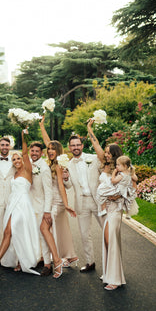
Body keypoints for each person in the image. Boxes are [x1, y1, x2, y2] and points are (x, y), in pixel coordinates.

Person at [0, 133, 41, 276]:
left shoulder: (27, 171)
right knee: (11, 232)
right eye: (14, 159)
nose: (16, 161)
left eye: (18, 158)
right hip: (12, 204)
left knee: (11, 231)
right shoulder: (14, 172)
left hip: (22, 205)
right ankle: (13, 261)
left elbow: (26, 153)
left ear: (22, 159)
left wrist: (24, 135)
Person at [39, 116, 78, 270]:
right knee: (60, 229)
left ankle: (55, 259)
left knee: (46, 228)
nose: (49, 151)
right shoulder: (52, 162)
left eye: (52, 149)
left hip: (58, 202)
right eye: (48, 149)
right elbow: (48, 141)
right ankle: (70, 256)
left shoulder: (60, 165)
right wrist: (42, 126)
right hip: (52, 200)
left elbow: (63, 186)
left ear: (58, 151)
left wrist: (67, 205)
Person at [97, 155, 137, 291]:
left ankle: (116, 279)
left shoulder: (122, 176)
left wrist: (111, 193)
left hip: (115, 212)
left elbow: (120, 187)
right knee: (108, 241)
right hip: (110, 211)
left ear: (124, 166)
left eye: (119, 165)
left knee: (111, 242)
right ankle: (110, 274)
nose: (117, 167)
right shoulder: (126, 174)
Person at [67, 133, 103, 273]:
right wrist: (65, 178)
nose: (75, 147)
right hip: (81, 203)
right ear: (69, 147)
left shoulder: (93, 158)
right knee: (84, 234)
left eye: (78, 145)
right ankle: (90, 262)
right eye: (73, 145)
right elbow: (69, 185)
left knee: (107, 231)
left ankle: (111, 265)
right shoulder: (68, 164)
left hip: (97, 201)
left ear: (82, 146)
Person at [26, 137, 53, 275]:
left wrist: (47, 211)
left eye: (37, 151)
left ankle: (48, 264)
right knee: (32, 234)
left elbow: (49, 191)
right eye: (33, 150)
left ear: (42, 153)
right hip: (29, 205)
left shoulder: (44, 168)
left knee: (43, 234)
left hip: (41, 206)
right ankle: (38, 258)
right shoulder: (28, 164)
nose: (34, 153)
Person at [0, 137, 16, 249]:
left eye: (7, 145)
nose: (4, 147)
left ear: (10, 146)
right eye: (2, 145)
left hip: (12, 199)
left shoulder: (15, 161)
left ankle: (13, 256)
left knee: (13, 228)